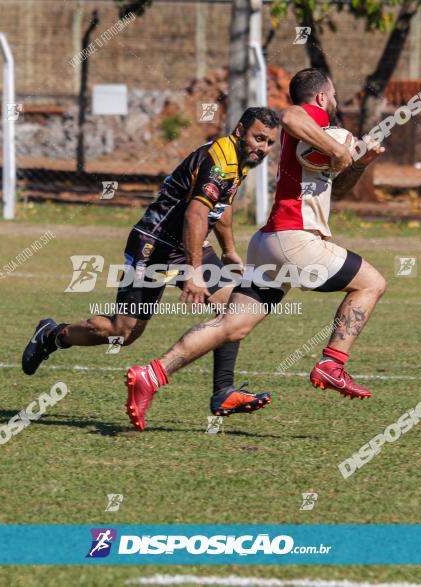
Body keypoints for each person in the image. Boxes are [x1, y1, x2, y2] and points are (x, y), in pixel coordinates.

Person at [124, 68, 386, 431]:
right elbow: (290, 115)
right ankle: (332, 363)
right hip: (295, 240)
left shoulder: (317, 136)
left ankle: (151, 374)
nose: (336, 103)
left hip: (270, 243)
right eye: (335, 96)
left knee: (231, 327)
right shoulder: (313, 118)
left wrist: (358, 161)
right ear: (323, 97)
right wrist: (341, 148)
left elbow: (336, 186)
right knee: (371, 283)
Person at [21, 107, 279, 422]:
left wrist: (229, 250)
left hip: (189, 244)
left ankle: (223, 391)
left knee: (234, 310)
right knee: (123, 332)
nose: (263, 148)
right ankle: (52, 335)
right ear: (240, 130)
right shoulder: (220, 162)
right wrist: (195, 273)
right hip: (154, 246)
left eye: (269, 143)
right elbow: (195, 214)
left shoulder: (239, 160)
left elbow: (220, 206)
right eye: (259, 138)